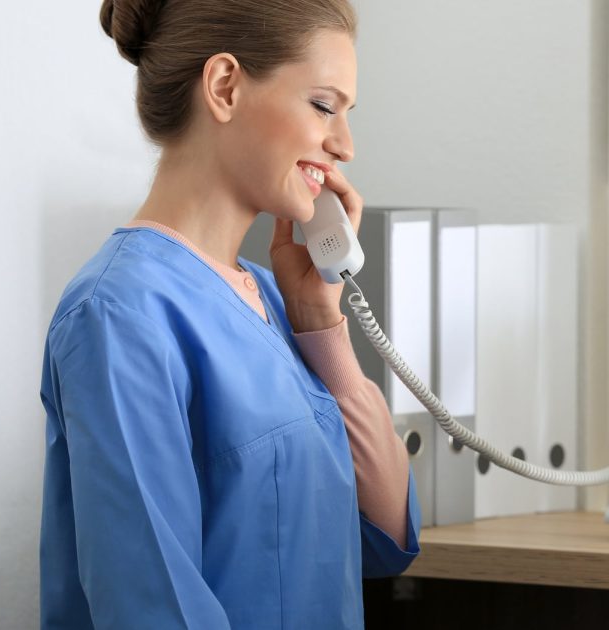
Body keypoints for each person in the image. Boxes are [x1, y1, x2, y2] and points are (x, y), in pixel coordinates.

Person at [39, 1, 418, 627]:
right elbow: (153, 608)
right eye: (324, 106)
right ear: (224, 88)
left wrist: (322, 325)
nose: (345, 145)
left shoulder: (275, 299)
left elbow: (386, 533)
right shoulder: (118, 316)